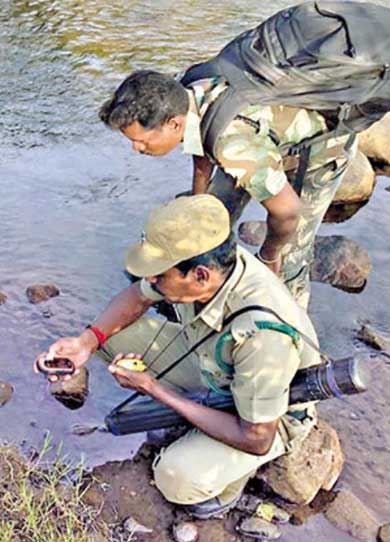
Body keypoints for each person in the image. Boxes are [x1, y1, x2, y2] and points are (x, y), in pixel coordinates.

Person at [36, 195, 320, 518]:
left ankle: (229, 489)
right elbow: (138, 296)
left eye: (159, 275)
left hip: (268, 417)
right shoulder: (210, 261)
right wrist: (86, 341)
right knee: (113, 336)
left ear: (200, 276)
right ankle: (194, 415)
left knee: (175, 478)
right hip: (217, 366)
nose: (151, 281)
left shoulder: (263, 337)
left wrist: (154, 389)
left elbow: (257, 437)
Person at [99, 69, 356, 309]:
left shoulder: (232, 147)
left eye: (141, 140)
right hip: (258, 138)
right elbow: (202, 139)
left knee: (289, 255)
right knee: (207, 220)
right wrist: (198, 204)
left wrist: (268, 256)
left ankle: (291, 329)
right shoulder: (187, 91)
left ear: (174, 124)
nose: (136, 148)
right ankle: (202, 289)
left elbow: (288, 211)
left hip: (319, 153)